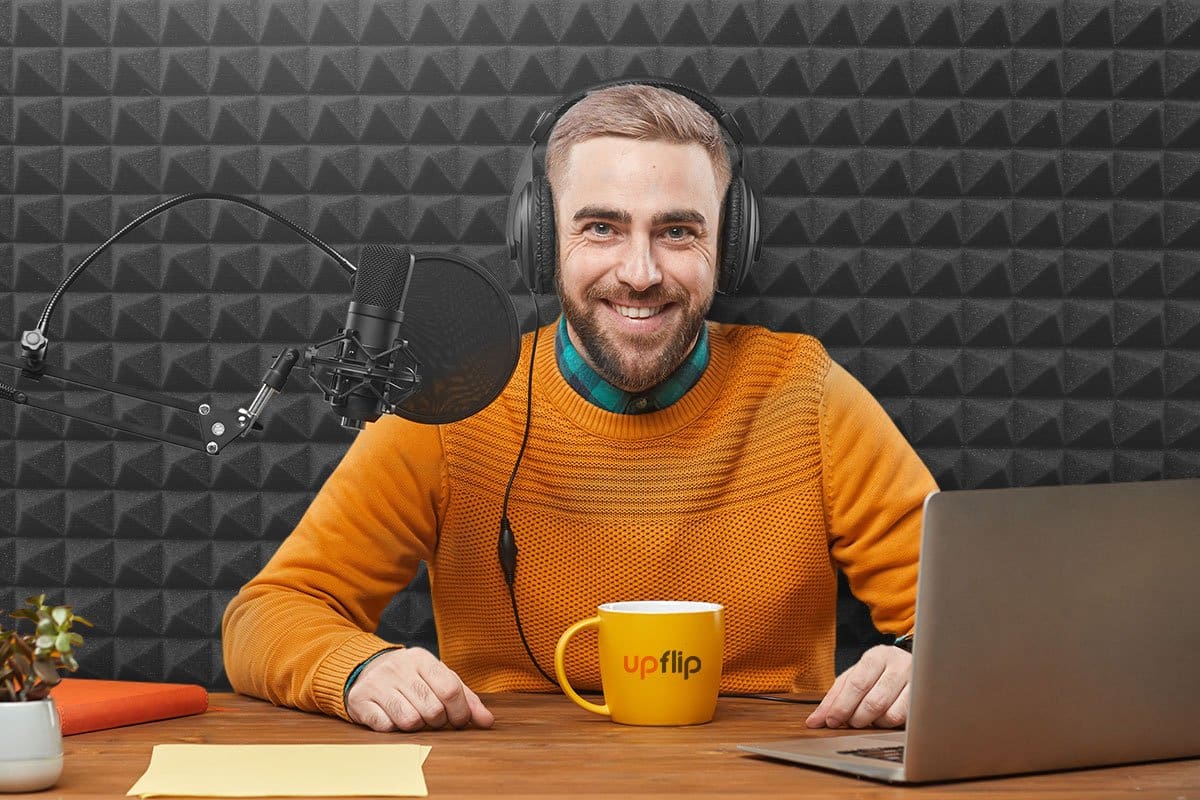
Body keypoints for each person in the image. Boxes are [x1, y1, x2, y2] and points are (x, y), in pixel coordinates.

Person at [222, 82, 937, 734]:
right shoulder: (455, 405)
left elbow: (981, 619)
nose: (640, 272)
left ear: (732, 243)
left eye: (678, 231)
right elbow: (266, 616)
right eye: (601, 228)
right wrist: (355, 671)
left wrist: (929, 663)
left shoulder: (807, 395)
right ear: (539, 240)